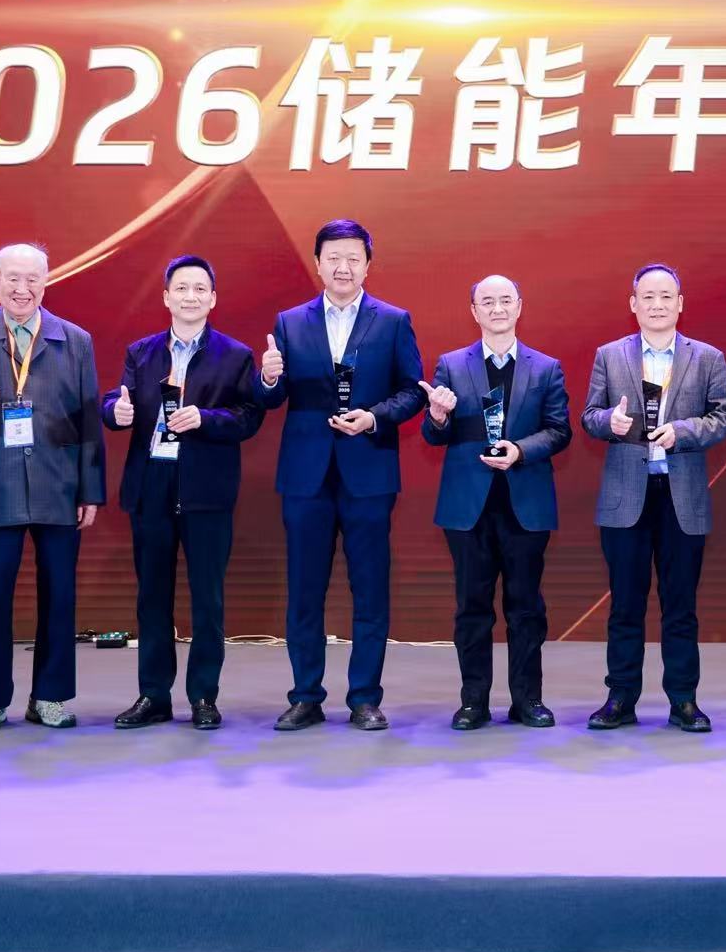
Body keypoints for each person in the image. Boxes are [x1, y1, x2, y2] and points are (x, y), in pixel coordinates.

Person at [253, 219, 424, 731]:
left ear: (368, 265)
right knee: (305, 590)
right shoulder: (290, 322)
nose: (343, 267)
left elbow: (413, 391)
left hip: (368, 471)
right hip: (306, 476)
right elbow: (271, 399)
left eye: (353, 258)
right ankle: (305, 696)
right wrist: (268, 378)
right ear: (318, 263)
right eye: (333, 257)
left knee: (369, 589)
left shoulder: (393, 321)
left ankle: (365, 698)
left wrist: (374, 417)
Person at [0, 243, 105, 733]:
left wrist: (91, 490)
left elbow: (90, 419)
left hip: (59, 485)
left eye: (32, 279)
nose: (22, 289)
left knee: (60, 595)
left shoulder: (75, 340)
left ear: (46, 282)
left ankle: (50, 697)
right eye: (12, 278)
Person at [101, 255, 264, 731]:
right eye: (181, 288)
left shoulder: (236, 355)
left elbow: (249, 416)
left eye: (199, 289)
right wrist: (115, 412)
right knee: (151, 597)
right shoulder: (141, 352)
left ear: (212, 299)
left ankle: (203, 697)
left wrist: (205, 419)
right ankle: (153, 696)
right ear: (166, 297)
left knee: (207, 599)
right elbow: (116, 400)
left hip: (206, 491)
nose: (190, 296)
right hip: (150, 486)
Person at [579, 263, 726, 733]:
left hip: (681, 497)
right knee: (625, 606)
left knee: (680, 605)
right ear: (633, 304)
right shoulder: (609, 355)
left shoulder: (707, 357)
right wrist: (610, 423)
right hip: (626, 495)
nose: (657, 304)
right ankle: (620, 698)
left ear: (680, 303)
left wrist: (682, 432)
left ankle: (684, 700)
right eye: (647, 296)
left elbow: (724, 418)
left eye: (666, 296)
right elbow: (589, 415)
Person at [419, 274, 572, 729]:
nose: (498, 308)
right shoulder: (451, 365)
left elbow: (559, 430)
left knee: (526, 608)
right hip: (468, 506)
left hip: (525, 503)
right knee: (472, 608)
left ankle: (528, 700)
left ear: (520, 306)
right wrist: (438, 415)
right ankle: (473, 701)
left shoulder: (546, 368)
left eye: (506, 300)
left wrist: (520, 451)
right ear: (474, 311)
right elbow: (434, 435)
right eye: (487, 302)